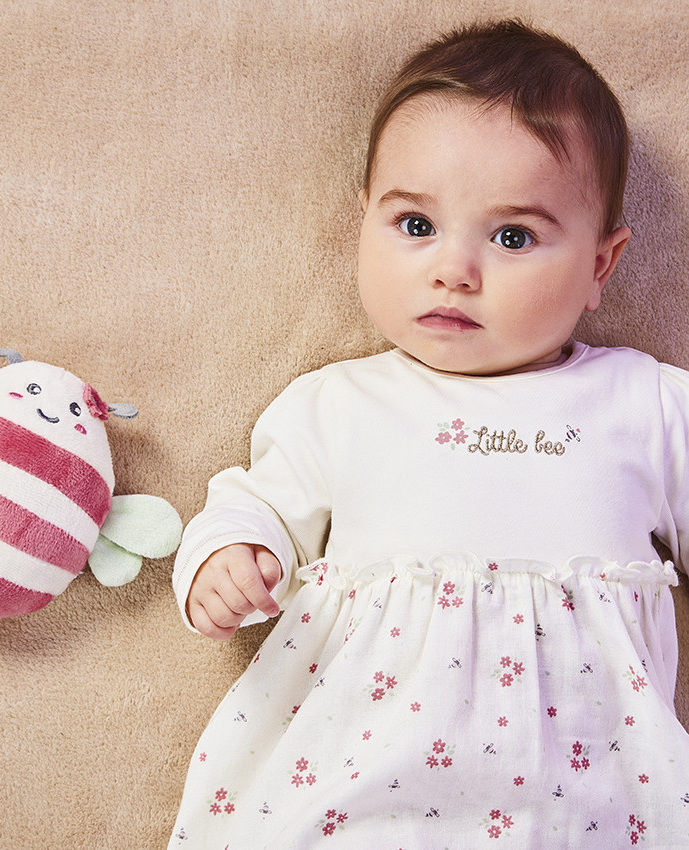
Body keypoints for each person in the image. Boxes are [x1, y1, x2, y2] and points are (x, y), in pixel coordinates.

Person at [168, 19, 689, 848]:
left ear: (600, 264)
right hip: (361, 776)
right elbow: (254, 502)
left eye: (512, 237)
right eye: (415, 225)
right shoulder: (338, 404)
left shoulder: (644, 405)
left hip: (586, 798)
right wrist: (230, 555)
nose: (454, 270)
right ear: (363, 223)